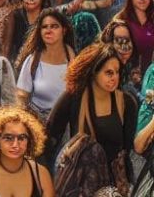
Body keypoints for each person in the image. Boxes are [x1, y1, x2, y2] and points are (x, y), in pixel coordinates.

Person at [45, 43, 137, 195]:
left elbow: (127, 151)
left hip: (114, 186)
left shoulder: (126, 103)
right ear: (94, 72)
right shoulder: (74, 97)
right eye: (109, 73)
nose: (114, 77)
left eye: (117, 72)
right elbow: (49, 137)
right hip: (80, 183)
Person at [15, 9, 75, 121]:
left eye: (54, 26)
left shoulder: (74, 62)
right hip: (36, 121)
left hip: (64, 122)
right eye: (44, 27)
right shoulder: (33, 60)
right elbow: (21, 96)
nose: (48, 30)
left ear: (64, 30)